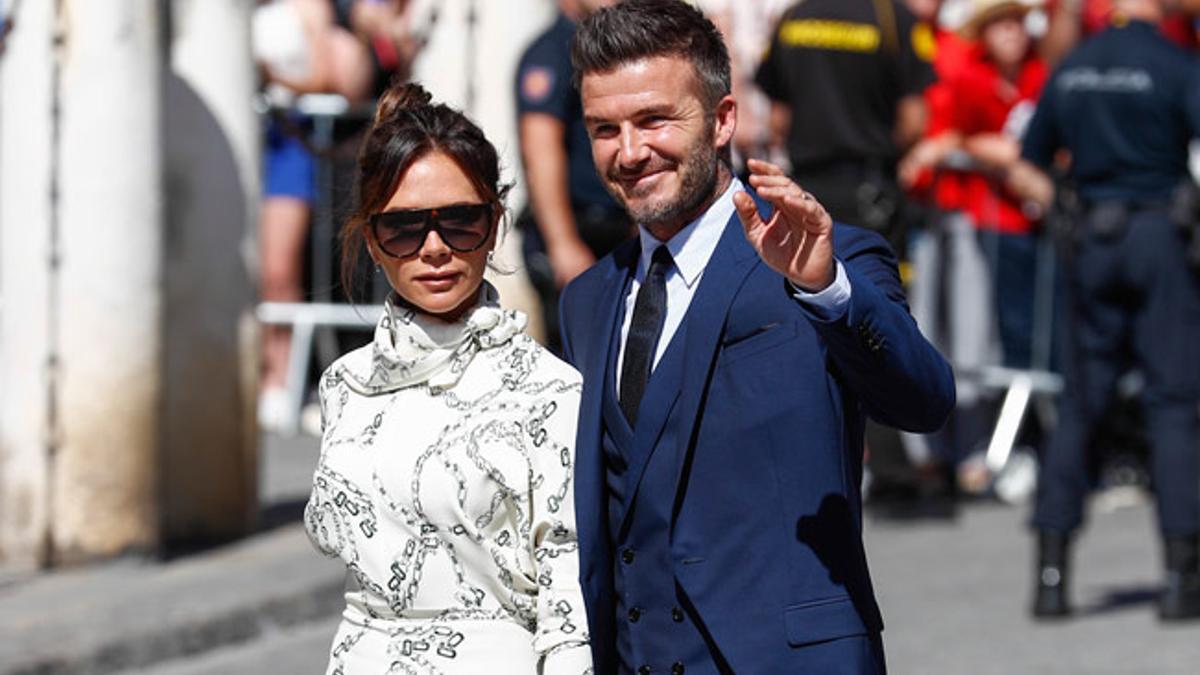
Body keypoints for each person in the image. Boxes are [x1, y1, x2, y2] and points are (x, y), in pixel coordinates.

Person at [559, 1, 956, 672]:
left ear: (722, 121)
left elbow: (923, 399)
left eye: (655, 119)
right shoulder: (587, 300)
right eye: (606, 128)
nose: (630, 152)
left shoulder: (826, 258)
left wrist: (826, 289)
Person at [303, 82, 593, 673]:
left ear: (494, 225)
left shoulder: (551, 393)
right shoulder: (342, 384)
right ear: (372, 242)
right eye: (404, 228)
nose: (434, 248)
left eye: (460, 221)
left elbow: (569, 606)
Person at [1009, 0, 1200, 620]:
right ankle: (1179, 579)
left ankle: (1050, 576)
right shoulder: (1176, 63)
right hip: (1157, 238)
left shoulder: (1074, 68)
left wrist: (1066, 207)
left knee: (1080, 408)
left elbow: (1026, 162)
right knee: (1174, 404)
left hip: (1091, 242)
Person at [755, 0, 935, 254]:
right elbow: (914, 122)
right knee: (876, 283)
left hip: (804, 186)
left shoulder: (793, 17)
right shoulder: (894, 18)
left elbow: (778, 121)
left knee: (804, 284)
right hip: (872, 189)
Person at [516, 0, 630, 354]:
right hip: (578, 234)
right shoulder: (552, 52)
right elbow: (541, 154)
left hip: (621, 232)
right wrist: (563, 243)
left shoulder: (616, 46)